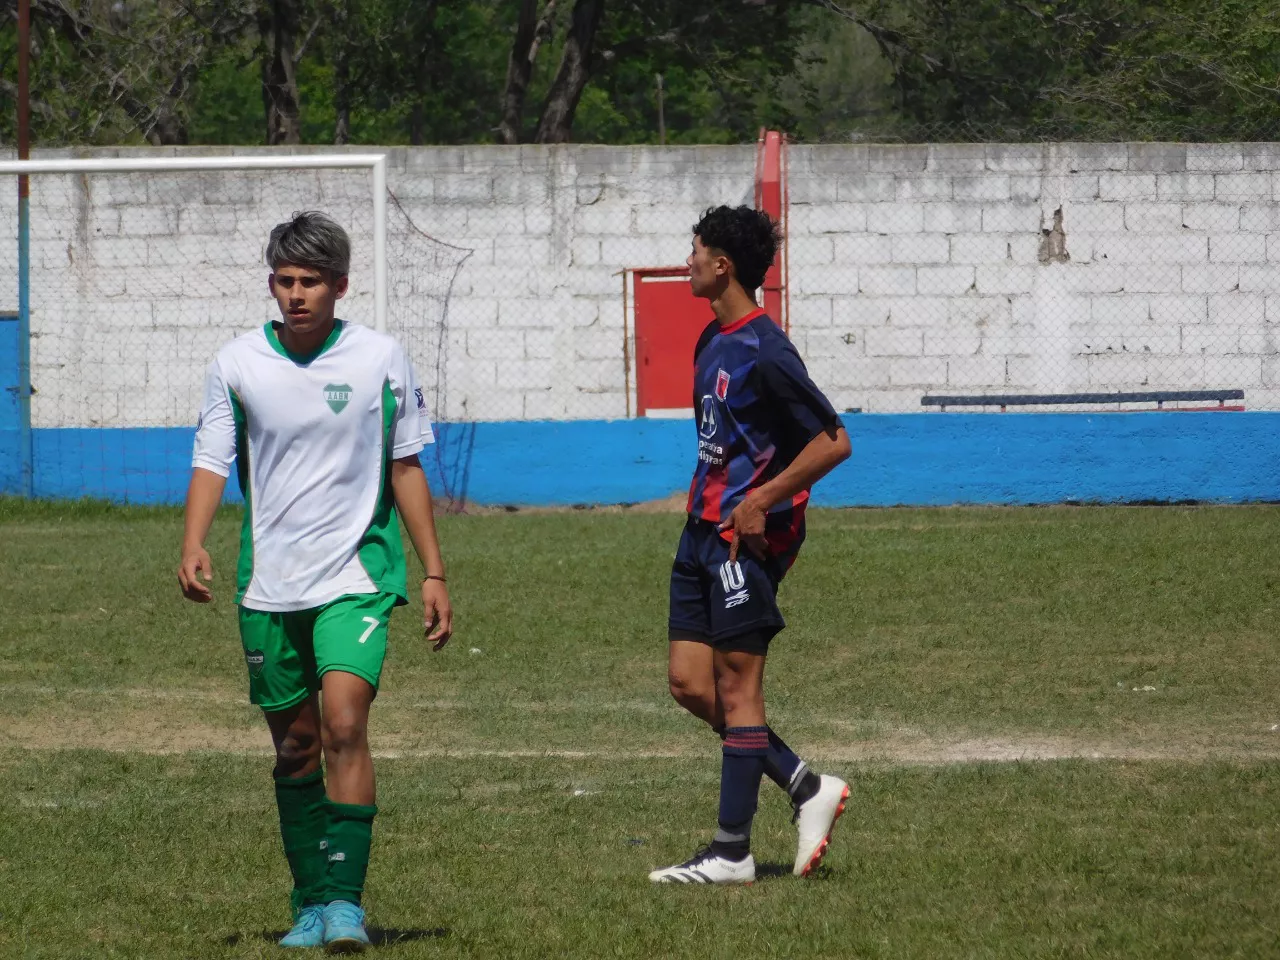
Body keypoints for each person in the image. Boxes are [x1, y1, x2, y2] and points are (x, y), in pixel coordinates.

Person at [177, 211, 453, 950]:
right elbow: (212, 458)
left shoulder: (380, 359)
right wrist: (194, 541)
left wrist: (433, 570)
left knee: (343, 727)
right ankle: (308, 903)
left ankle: (345, 906)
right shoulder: (237, 363)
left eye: (310, 282)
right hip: (269, 586)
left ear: (340, 285)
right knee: (295, 749)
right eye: (285, 281)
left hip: (357, 576)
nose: (295, 295)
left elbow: (405, 466)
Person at [649, 205, 852, 885]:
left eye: (695, 250)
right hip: (699, 535)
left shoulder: (767, 349)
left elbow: (833, 441)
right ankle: (803, 784)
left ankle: (731, 850)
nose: (688, 261)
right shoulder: (713, 340)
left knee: (739, 692)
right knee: (688, 684)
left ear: (722, 265)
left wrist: (763, 500)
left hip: (745, 544)